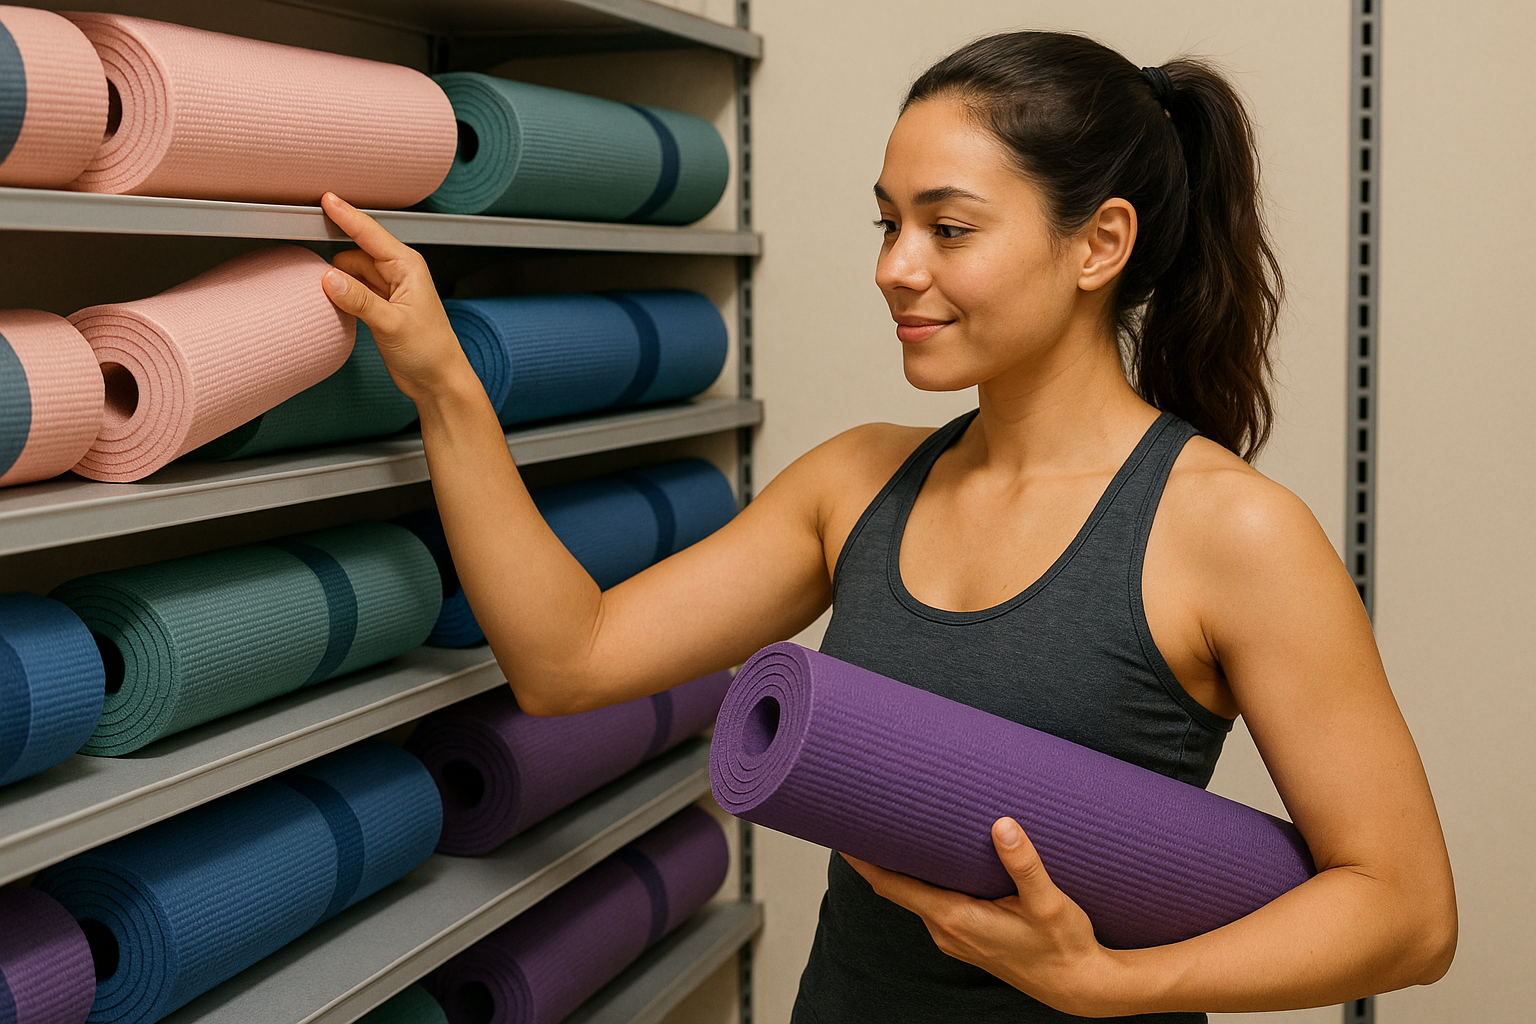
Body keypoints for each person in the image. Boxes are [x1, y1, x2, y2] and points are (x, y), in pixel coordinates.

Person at [316, 29, 1455, 1023]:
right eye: (888, 222)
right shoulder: (856, 482)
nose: (895, 269)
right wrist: (445, 383)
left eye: (948, 228)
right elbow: (570, 658)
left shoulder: (1232, 531)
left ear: (1099, 244)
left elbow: (1406, 913)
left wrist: (1113, 984)